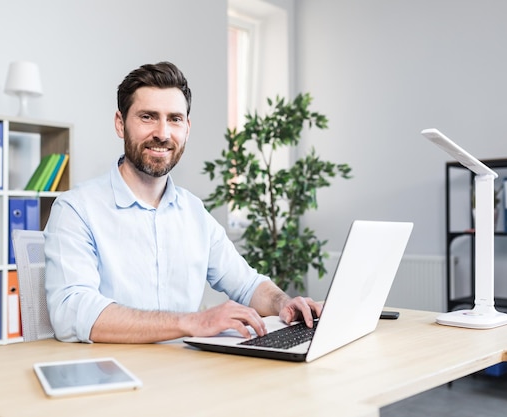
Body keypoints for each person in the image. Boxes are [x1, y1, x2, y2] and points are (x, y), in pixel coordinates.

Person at [44, 61, 322, 344]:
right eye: (148, 117)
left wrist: (283, 303)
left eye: (174, 119)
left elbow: (247, 283)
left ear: (186, 128)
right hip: (111, 375)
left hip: (186, 374)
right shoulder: (76, 209)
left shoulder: (194, 212)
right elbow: (70, 312)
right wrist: (192, 322)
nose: (163, 133)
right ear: (120, 123)